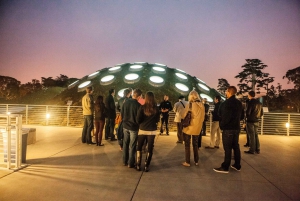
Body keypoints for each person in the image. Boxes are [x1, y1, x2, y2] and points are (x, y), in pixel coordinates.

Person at [213, 86, 244, 173]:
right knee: (236, 147)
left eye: (227, 91)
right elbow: (242, 116)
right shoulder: (239, 103)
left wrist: (222, 126)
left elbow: (221, 115)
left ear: (229, 92)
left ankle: (225, 166)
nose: (226, 93)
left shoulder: (226, 103)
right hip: (236, 128)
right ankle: (237, 165)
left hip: (228, 129)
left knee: (227, 148)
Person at [136, 91, 160, 172]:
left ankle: (138, 164)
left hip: (142, 129)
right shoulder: (156, 108)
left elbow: (138, 119)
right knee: (150, 148)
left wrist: (142, 123)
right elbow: (157, 119)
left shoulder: (142, 107)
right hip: (152, 131)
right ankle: (147, 165)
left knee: (139, 146)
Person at [181, 90, 205, 167]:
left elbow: (184, 114)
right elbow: (203, 117)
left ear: (191, 96)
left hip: (189, 127)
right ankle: (196, 161)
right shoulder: (202, 105)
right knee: (195, 144)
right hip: (198, 127)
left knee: (187, 145)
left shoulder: (190, 104)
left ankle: (187, 162)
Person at [121, 88, 142, 168]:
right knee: (132, 145)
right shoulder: (138, 105)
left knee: (125, 143)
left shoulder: (125, 102)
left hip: (125, 126)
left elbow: (122, 113)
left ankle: (124, 161)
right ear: (139, 96)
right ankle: (131, 163)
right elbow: (139, 118)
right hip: (133, 127)